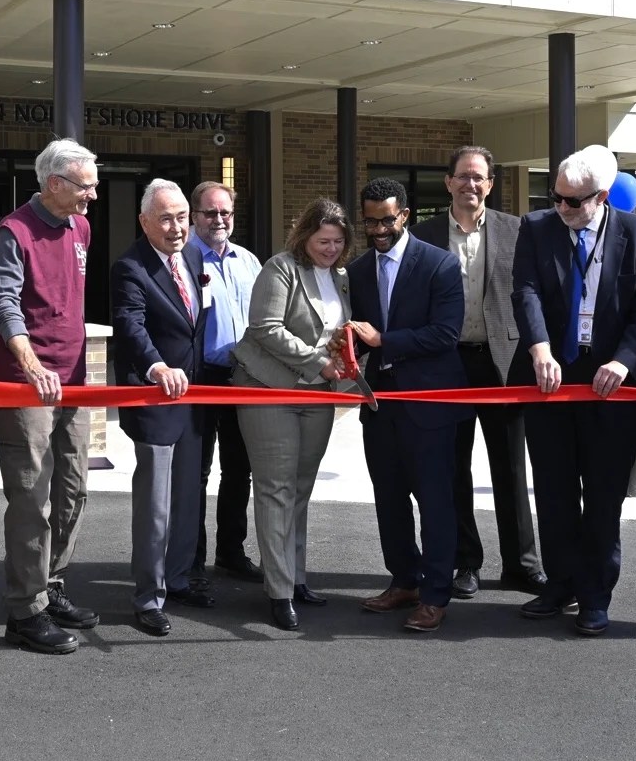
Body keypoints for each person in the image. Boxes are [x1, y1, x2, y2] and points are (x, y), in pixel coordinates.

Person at [512, 144, 636, 636]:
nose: (562, 208)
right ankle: (559, 585)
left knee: (603, 495)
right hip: (548, 375)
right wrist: (539, 348)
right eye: (556, 196)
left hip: (610, 383)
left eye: (573, 202)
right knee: (554, 491)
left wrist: (624, 360)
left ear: (602, 197)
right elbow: (526, 290)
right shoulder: (537, 228)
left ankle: (596, 595)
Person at [413, 146, 545, 600]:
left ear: (490, 184)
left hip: (502, 364)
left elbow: (531, 293)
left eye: (479, 178)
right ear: (448, 182)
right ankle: (465, 561)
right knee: (454, 468)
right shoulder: (424, 234)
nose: (471, 184)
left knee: (510, 467)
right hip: (445, 364)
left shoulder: (518, 230)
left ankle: (522, 564)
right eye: (463, 177)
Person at [0, 139, 100, 655]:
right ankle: (24, 608)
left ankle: (52, 585)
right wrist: (31, 365)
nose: (92, 196)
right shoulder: (14, 231)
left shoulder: (80, 227)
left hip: (75, 379)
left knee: (72, 489)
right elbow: (4, 302)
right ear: (54, 182)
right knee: (31, 497)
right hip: (27, 382)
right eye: (85, 186)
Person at [346, 177, 468, 634]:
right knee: (389, 498)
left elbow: (445, 334)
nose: (377, 229)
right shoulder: (358, 271)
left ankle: (436, 595)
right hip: (379, 405)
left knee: (435, 503)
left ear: (405, 217)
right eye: (370, 220)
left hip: (429, 405)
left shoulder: (439, 265)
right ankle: (404, 580)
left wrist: (384, 341)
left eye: (385, 220)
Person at [231, 197, 353, 630]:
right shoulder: (280, 267)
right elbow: (265, 327)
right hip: (268, 388)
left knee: (300, 488)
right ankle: (279, 591)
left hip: (317, 394)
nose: (331, 249)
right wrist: (317, 362)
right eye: (323, 240)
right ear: (305, 235)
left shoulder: (340, 278)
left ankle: (296, 578)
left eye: (338, 241)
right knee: (275, 488)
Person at [110, 180, 208, 637]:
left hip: (195, 400)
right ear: (145, 221)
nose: (176, 227)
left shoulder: (192, 255)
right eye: (166, 218)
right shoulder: (130, 266)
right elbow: (129, 324)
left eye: (182, 216)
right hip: (155, 398)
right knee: (156, 507)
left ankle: (180, 578)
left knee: (189, 495)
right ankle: (148, 598)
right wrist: (155, 366)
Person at [188, 180, 263, 584]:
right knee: (196, 472)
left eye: (225, 213)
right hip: (200, 377)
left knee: (239, 469)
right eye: (210, 213)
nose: (219, 220)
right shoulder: (182, 260)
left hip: (242, 377)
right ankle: (192, 559)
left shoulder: (249, 262)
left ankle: (231, 552)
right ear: (195, 216)